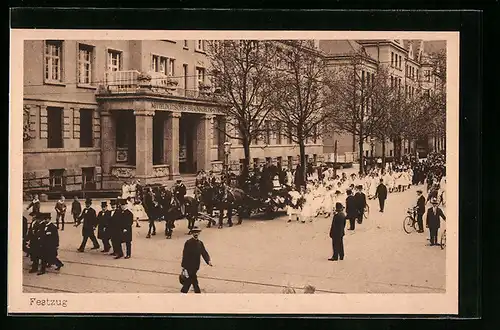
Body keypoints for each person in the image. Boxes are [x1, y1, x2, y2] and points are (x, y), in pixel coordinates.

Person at [180, 227, 212, 293]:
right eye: (194, 232)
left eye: (197, 232)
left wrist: (208, 261)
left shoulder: (200, 243)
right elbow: (185, 254)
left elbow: (204, 252)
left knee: (190, 280)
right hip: (189, 266)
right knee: (193, 279)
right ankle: (196, 292)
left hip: (196, 266)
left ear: (199, 233)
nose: (196, 234)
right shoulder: (188, 243)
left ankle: (184, 292)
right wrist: (184, 266)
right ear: (192, 233)